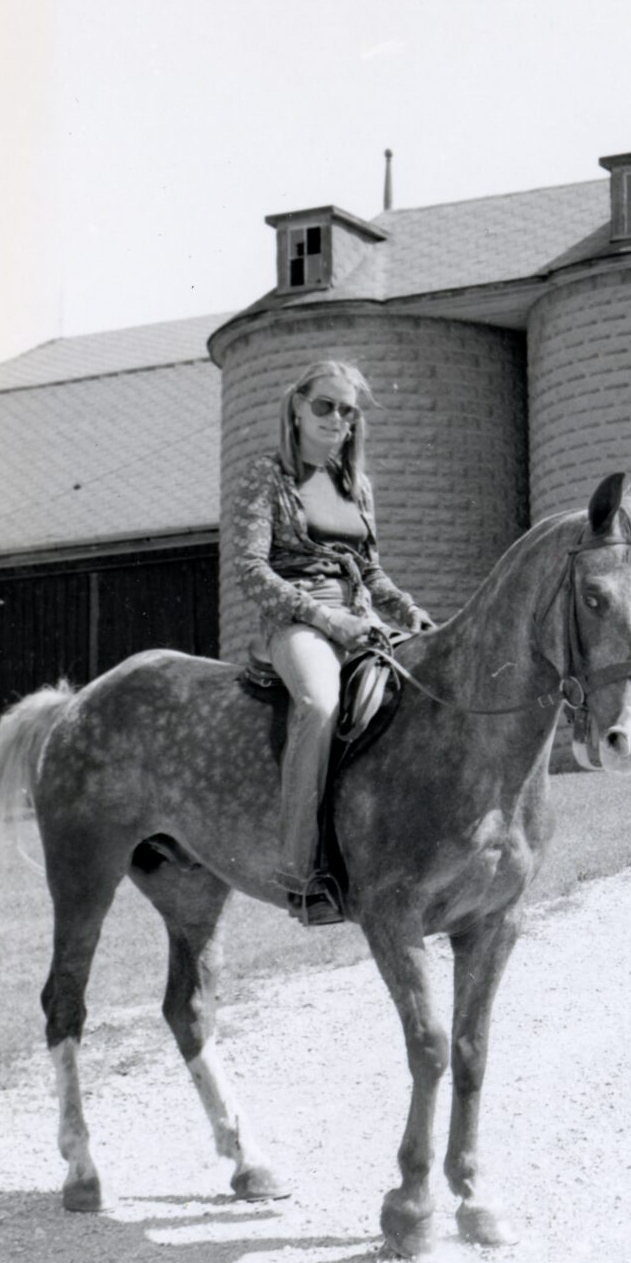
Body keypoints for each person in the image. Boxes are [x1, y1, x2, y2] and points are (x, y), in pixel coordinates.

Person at [228, 360, 431, 917]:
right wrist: (325, 619)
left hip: (362, 617)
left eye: (347, 410)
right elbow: (251, 570)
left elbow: (370, 571)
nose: (336, 418)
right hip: (296, 620)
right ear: (297, 406)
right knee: (319, 704)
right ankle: (302, 873)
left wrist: (409, 611)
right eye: (325, 405)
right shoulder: (265, 476)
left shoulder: (357, 485)